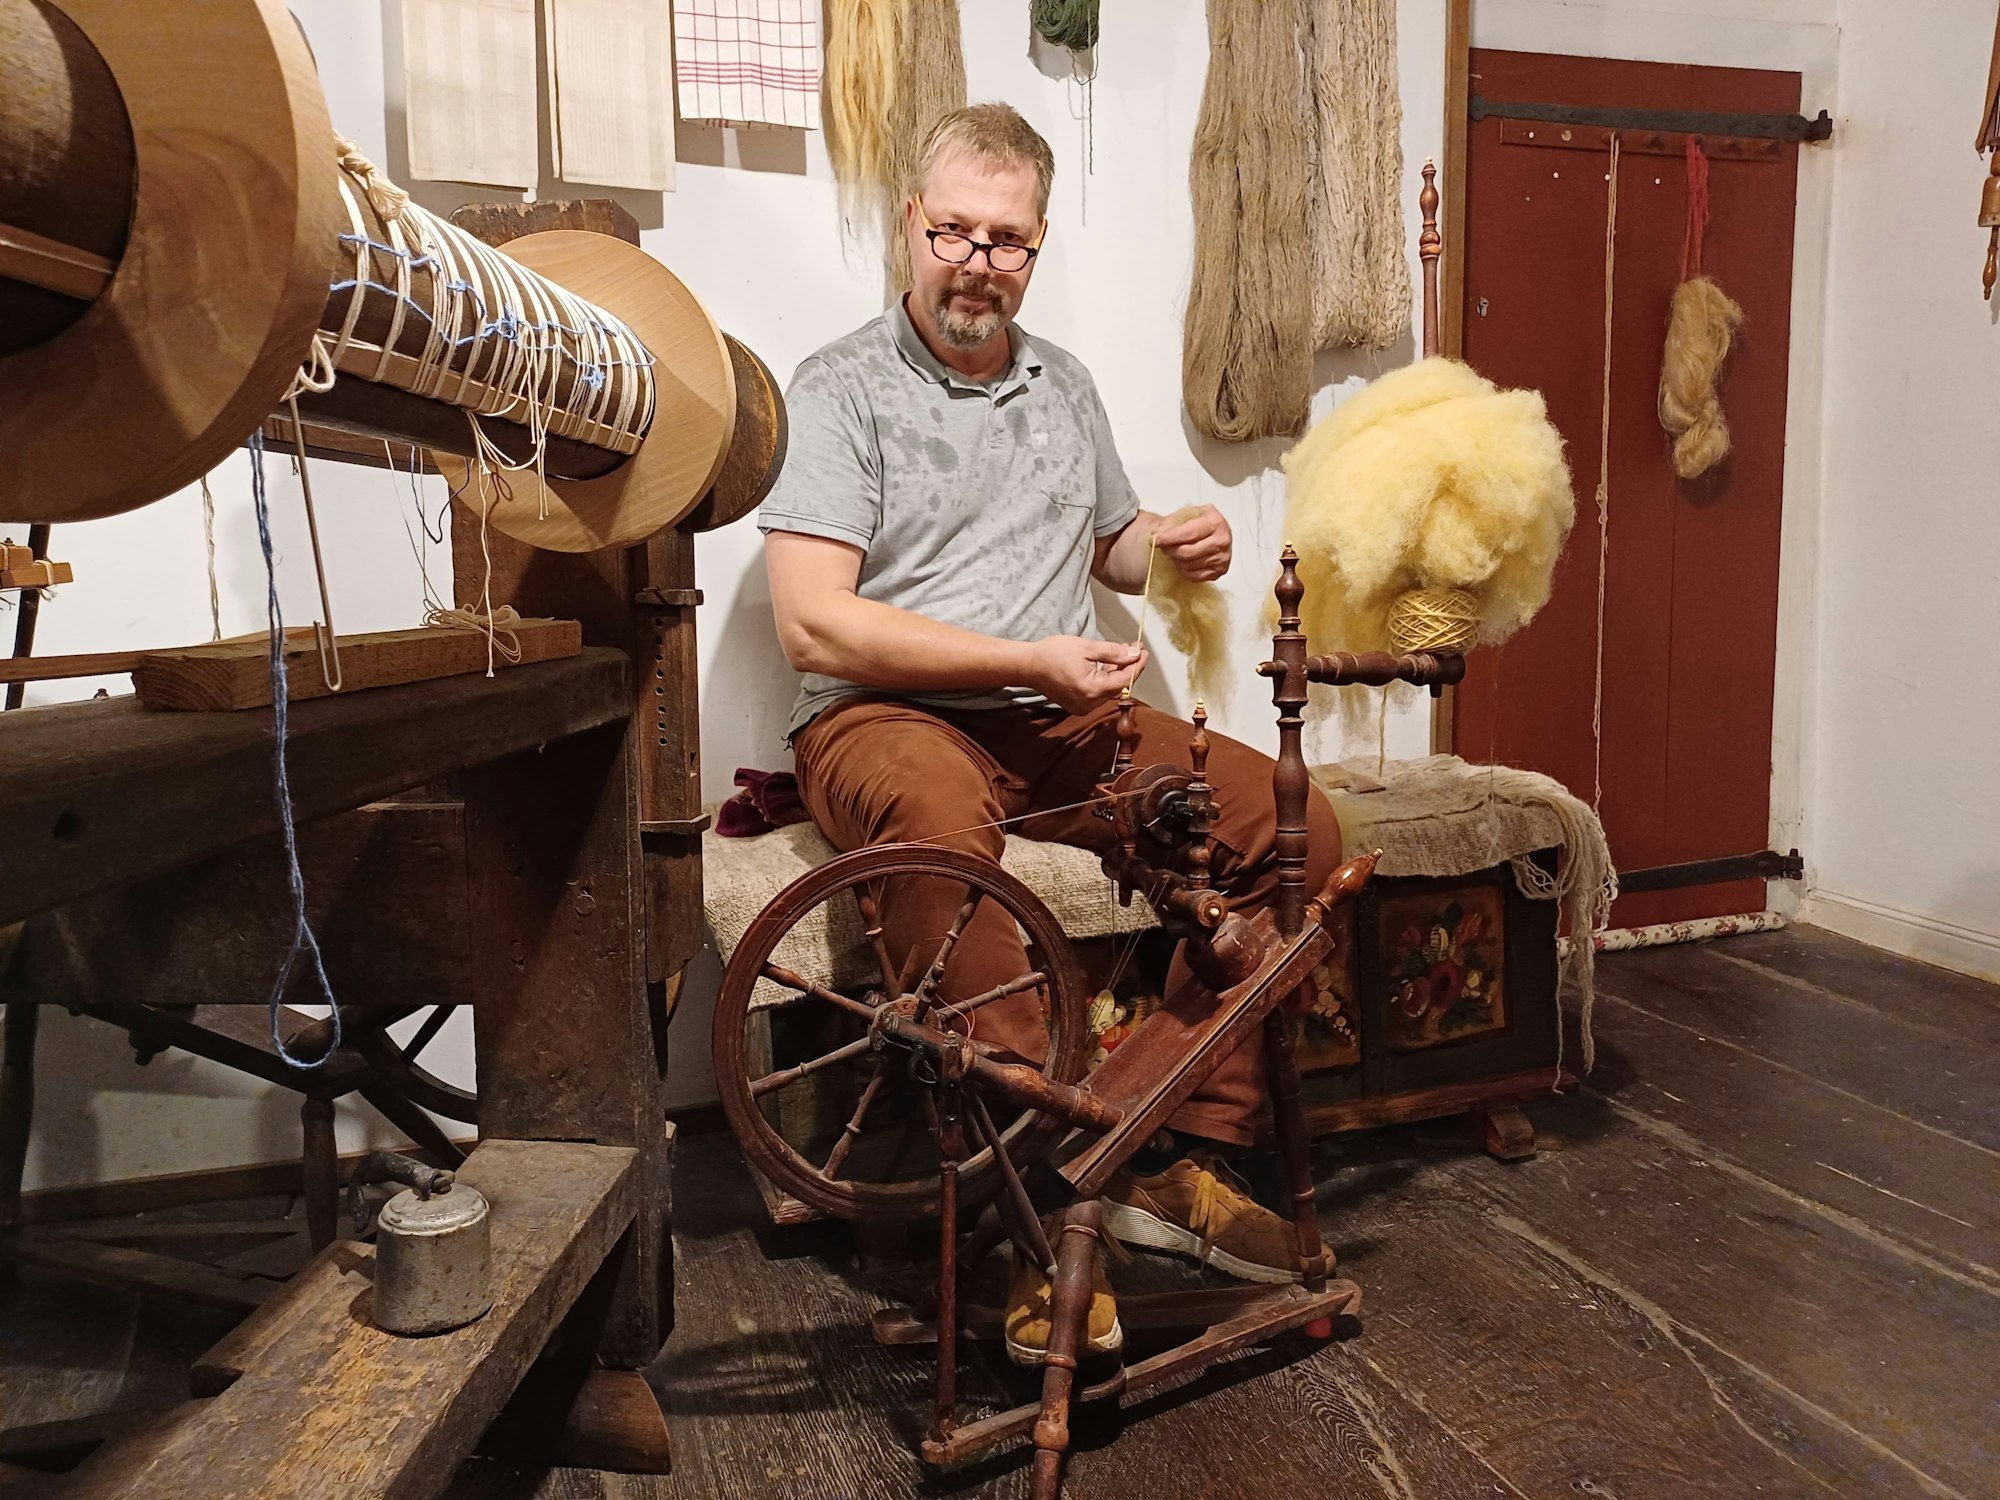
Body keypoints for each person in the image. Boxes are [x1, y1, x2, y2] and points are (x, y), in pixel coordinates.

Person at [756, 102, 1342, 1365]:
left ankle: (1155, 1151)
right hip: (884, 717)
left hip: (1057, 718)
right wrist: (1023, 655)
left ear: (1035, 246)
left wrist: (1171, 545)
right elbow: (812, 627)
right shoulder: (839, 387)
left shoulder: (1060, 382)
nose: (977, 259)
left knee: (1286, 828)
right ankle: (1035, 1224)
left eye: (1006, 239)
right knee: (942, 843)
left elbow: (1106, 551)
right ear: (910, 227)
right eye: (953, 230)